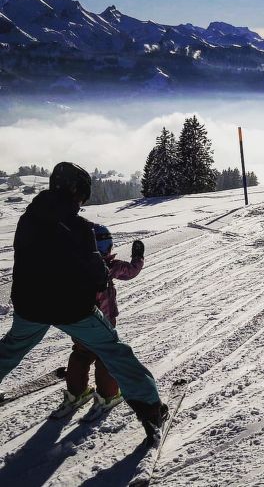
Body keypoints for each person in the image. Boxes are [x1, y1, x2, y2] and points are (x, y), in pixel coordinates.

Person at [0, 162, 166, 439]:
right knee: (114, 351)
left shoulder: (27, 219)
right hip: (72, 309)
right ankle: (150, 409)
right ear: (77, 191)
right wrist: (101, 273)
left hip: (29, 305)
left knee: (11, 349)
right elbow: (97, 275)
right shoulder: (79, 228)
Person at [55, 224, 145, 417]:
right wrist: (138, 257)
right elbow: (130, 271)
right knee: (107, 355)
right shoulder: (108, 266)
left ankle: (75, 394)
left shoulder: (73, 265)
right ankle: (107, 395)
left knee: (81, 354)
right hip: (102, 322)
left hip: (79, 322)